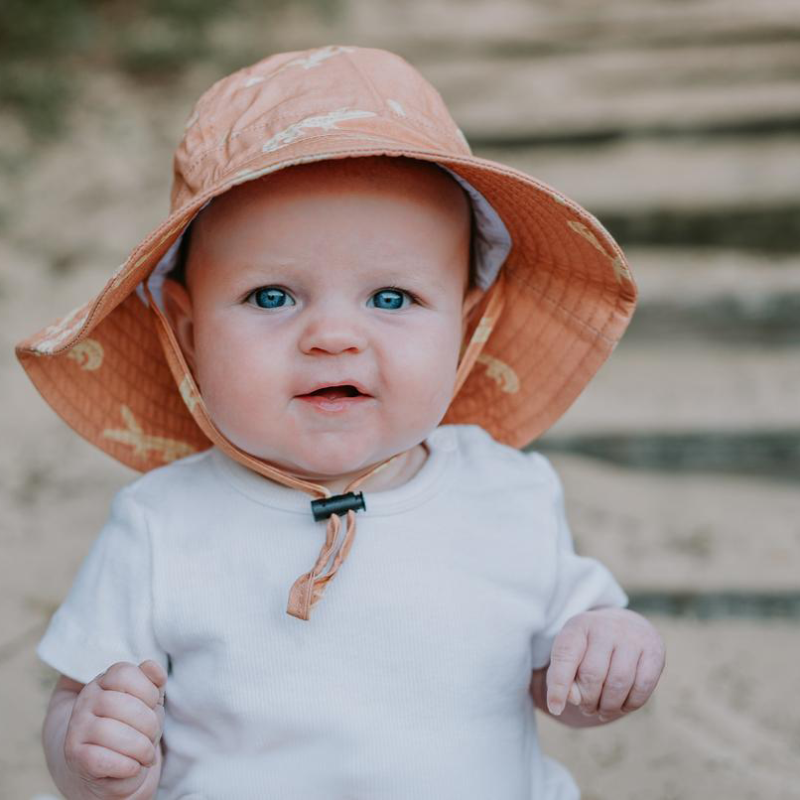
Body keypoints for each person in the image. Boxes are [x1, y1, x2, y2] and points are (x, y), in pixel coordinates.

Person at [17, 45, 665, 799]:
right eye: (271, 297)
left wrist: (610, 656)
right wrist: (90, 748)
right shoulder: (160, 522)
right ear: (188, 334)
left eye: (391, 298)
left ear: (468, 322)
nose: (333, 336)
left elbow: (561, 684)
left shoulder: (508, 491)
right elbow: (76, 705)